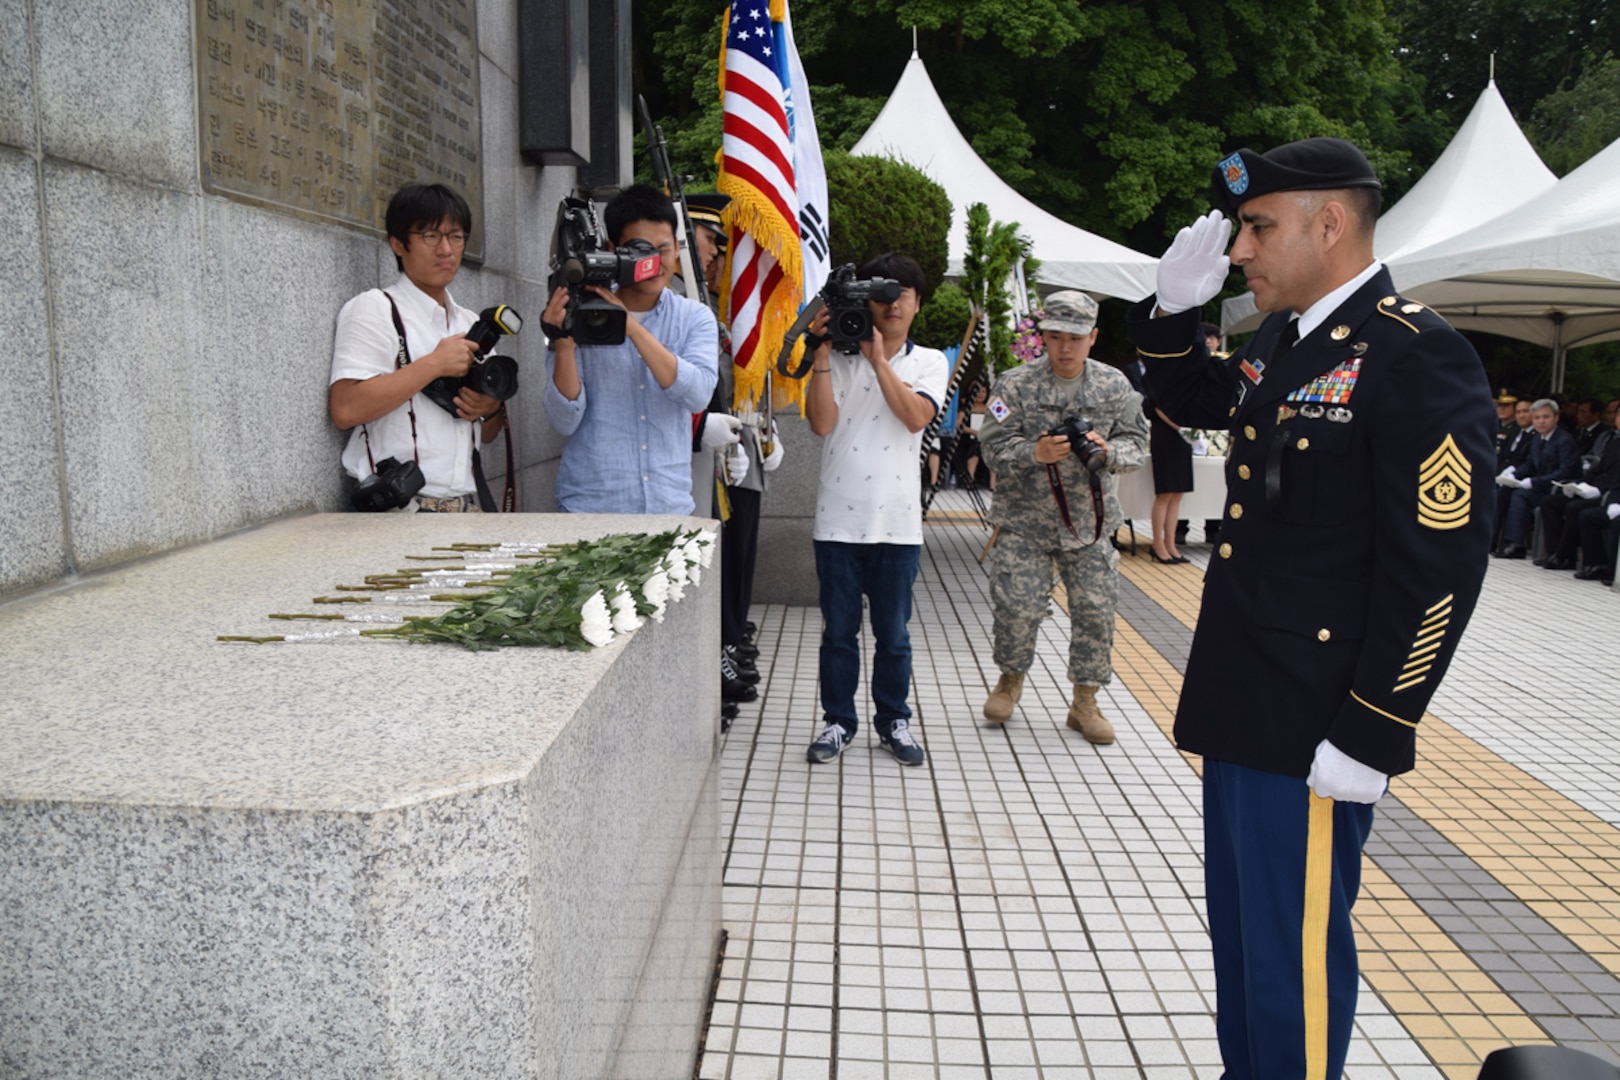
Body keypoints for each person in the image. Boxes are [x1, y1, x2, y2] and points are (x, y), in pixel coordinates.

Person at [1127, 138, 1496, 1080]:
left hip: (1318, 723)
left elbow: (1439, 570)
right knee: (1248, 947)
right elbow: (1194, 397)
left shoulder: (1418, 356)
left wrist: (1376, 728)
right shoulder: (1288, 339)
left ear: (1329, 224)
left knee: (1293, 963)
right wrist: (1172, 311)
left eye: (1259, 227)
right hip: (1246, 701)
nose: (1242, 251)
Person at [977, 291, 1148, 742]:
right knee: (1016, 606)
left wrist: (1110, 453)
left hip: (1091, 526)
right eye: (1055, 337)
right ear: (1044, 337)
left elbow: (1137, 443)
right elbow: (991, 446)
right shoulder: (1015, 385)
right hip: (1024, 521)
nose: (1065, 348)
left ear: (1093, 337)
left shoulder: (1115, 387)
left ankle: (1085, 701)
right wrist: (1032, 452)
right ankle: (1009, 682)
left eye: (1075, 338)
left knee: (1096, 610)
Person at [802, 253, 950, 768]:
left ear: (917, 304)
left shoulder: (930, 361)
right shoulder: (837, 358)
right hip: (838, 521)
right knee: (838, 632)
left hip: (898, 524)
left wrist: (879, 360)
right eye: (881, 295)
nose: (891, 305)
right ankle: (837, 721)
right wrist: (823, 354)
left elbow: (915, 418)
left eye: (901, 295)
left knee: (894, 634)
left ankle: (894, 722)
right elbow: (820, 424)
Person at [540, 185, 719, 513]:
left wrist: (632, 328)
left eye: (663, 249)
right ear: (613, 250)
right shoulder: (581, 309)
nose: (653, 262)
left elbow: (697, 395)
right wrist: (563, 342)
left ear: (677, 250)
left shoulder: (695, 318)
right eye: (640, 250)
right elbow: (564, 420)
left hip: (668, 511)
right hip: (591, 510)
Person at [329, 183, 508, 512]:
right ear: (398, 244)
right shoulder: (374, 309)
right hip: (399, 511)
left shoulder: (470, 323)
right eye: (430, 236)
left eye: (455, 236)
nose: (446, 250)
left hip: (468, 508)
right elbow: (345, 409)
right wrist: (434, 365)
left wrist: (489, 408)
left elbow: (489, 433)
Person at [684, 193, 785, 708]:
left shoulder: (709, 309)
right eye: (709, 244)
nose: (717, 258)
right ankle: (716, 655)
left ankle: (727, 641)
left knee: (736, 556)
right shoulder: (680, 310)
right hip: (687, 462)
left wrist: (758, 432)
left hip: (725, 454)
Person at [1493, 398, 1579, 559]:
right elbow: (1530, 464)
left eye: (1545, 417)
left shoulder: (1564, 440)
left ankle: (1516, 543)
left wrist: (1534, 482)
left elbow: (1565, 471)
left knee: (1520, 495)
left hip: (1559, 488)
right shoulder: (1536, 439)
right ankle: (1494, 539)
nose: (1541, 421)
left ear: (1556, 417)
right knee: (1505, 490)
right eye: (1537, 418)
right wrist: (1513, 476)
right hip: (1542, 486)